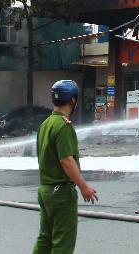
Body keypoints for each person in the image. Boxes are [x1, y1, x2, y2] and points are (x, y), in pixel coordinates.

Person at [33, 80, 97, 254]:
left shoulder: (45, 124)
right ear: (72, 101)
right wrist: (84, 187)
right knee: (63, 243)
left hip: (45, 190)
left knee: (45, 239)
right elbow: (66, 160)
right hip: (60, 192)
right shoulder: (63, 126)